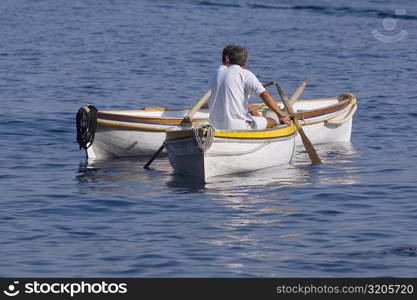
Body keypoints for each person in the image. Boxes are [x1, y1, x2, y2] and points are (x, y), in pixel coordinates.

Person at [208, 45, 290, 130]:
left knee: (255, 116)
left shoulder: (215, 75)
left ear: (229, 59)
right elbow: (265, 95)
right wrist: (280, 114)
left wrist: (249, 110)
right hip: (238, 126)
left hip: (214, 126)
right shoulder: (245, 74)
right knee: (272, 120)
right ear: (245, 62)